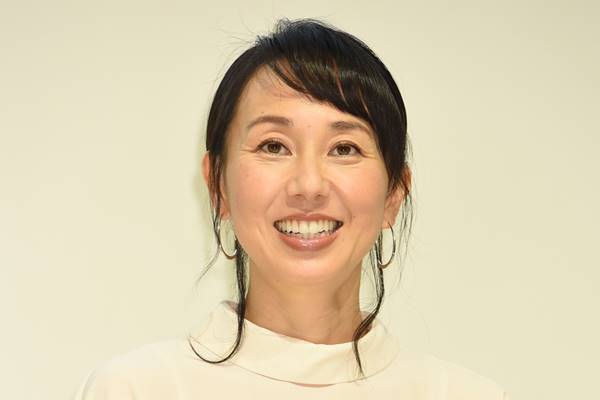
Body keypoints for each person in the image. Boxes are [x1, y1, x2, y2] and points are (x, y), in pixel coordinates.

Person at [73, 17, 510, 399]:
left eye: (344, 148)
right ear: (217, 185)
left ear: (394, 193)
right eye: (273, 146)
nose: (309, 186)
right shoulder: (136, 389)